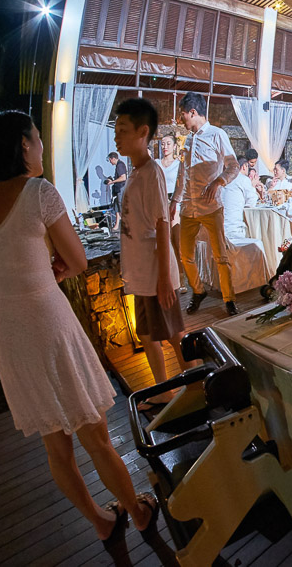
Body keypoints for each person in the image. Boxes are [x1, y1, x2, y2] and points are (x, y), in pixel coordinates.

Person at [0, 110, 159, 562]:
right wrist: (59, 264)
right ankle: (139, 512)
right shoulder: (38, 192)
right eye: (37, 138)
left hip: (7, 334)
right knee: (96, 436)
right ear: (23, 146)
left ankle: (100, 520)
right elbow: (79, 259)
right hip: (46, 323)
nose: (43, 146)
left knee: (56, 445)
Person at [114, 98, 194, 413]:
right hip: (141, 273)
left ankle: (199, 383)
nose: (117, 137)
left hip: (155, 273)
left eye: (122, 130)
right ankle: (163, 389)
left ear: (142, 132)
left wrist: (164, 278)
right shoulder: (135, 172)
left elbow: (162, 225)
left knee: (174, 334)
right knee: (147, 333)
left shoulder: (151, 173)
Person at [171, 92, 240, 316]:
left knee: (220, 257)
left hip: (211, 208)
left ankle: (229, 299)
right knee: (185, 256)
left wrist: (218, 182)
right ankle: (198, 291)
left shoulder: (217, 135)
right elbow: (183, 174)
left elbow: (233, 166)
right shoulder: (188, 139)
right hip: (188, 208)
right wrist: (175, 200)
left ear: (193, 112)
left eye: (183, 115)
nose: (181, 120)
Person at [156, 133, 185, 293]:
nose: (165, 147)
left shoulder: (179, 165)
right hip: (159, 204)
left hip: (175, 205)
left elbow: (181, 186)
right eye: (162, 144)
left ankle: (180, 279)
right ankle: (166, 280)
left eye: (168, 143)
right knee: (162, 243)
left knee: (177, 243)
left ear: (175, 146)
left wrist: (175, 202)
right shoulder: (156, 164)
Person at [222, 157, 259, 240]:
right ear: (244, 167)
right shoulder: (243, 179)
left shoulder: (221, 179)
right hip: (234, 228)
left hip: (217, 227)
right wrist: (253, 187)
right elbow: (251, 203)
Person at [105, 151, 128, 231]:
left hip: (121, 188)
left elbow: (123, 177)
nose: (110, 162)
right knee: (117, 206)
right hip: (118, 189)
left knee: (121, 206)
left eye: (110, 160)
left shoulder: (120, 165)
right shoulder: (118, 165)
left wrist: (112, 182)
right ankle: (117, 224)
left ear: (113, 158)